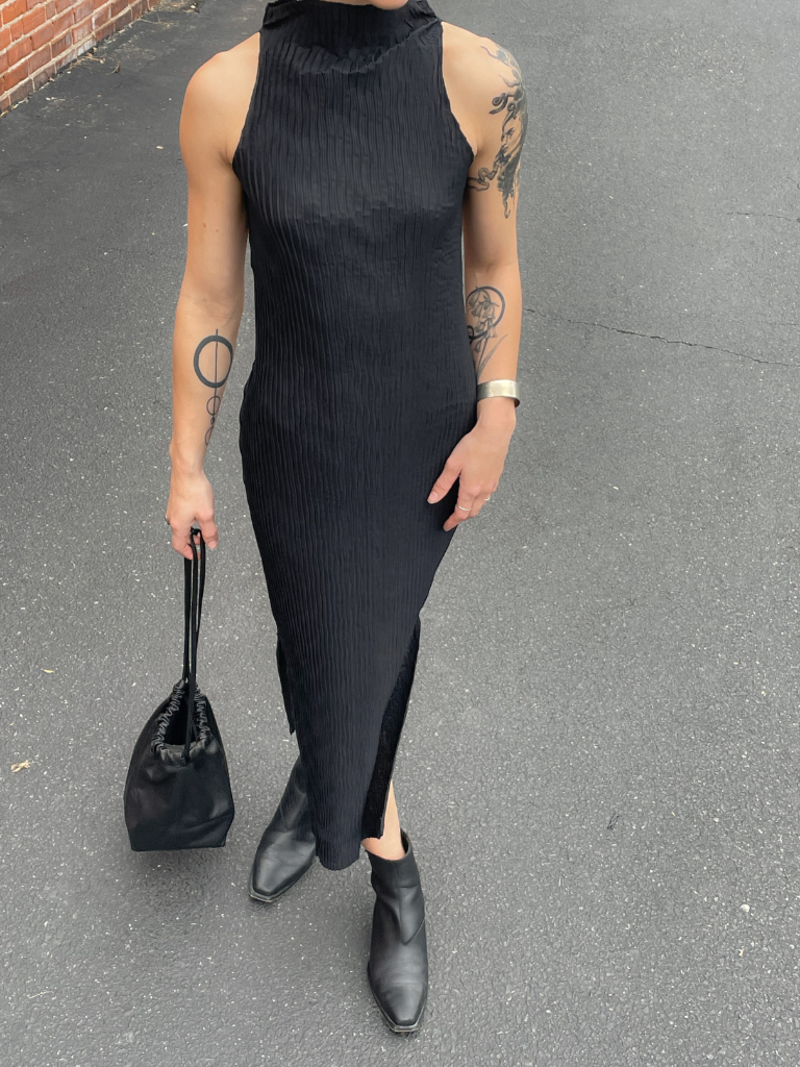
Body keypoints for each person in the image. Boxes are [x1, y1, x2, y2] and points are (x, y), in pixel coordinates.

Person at [164, 0, 527, 1034]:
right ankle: (334, 778)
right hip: (295, 440)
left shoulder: (480, 79)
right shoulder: (226, 92)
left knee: (364, 641)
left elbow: (493, 262)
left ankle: (388, 865)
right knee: (319, 634)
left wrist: (498, 410)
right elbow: (209, 296)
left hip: (422, 445)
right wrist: (185, 463)